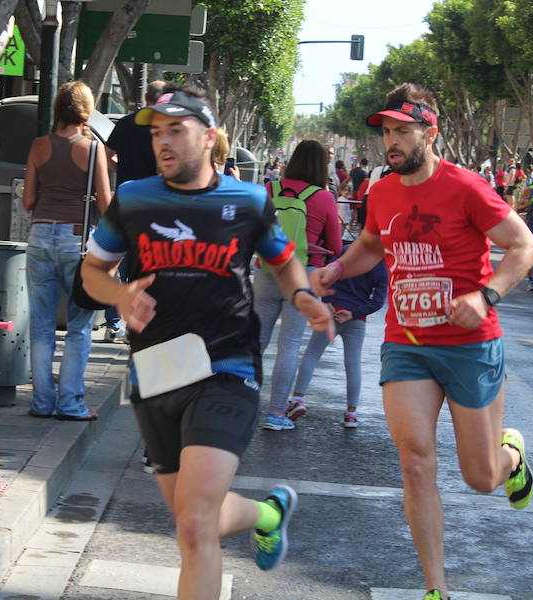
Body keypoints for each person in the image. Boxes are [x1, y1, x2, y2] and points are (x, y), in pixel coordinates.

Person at [79, 84, 334, 600]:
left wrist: (303, 295)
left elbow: (283, 261)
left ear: (209, 135)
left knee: (195, 527)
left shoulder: (249, 200)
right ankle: (267, 512)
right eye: (156, 133)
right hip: (156, 372)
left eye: (176, 129)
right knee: (193, 520)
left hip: (227, 369)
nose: (163, 142)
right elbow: (92, 271)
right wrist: (121, 294)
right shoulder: (133, 199)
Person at [311, 82, 533, 600]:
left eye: (401, 130)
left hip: (469, 343)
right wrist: (339, 268)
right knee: (415, 460)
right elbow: (373, 241)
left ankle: (512, 458)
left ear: (430, 133)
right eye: (386, 132)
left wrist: (487, 295)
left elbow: (525, 246)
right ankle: (436, 588)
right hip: (407, 341)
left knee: (480, 477)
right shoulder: (383, 190)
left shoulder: (467, 188)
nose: (390, 141)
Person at [22, 81, 110, 420]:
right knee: (79, 325)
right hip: (77, 241)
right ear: (86, 110)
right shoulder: (92, 149)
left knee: (42, 325)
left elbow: (29, 200)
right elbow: (105, 203)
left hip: (40, 235)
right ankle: (71, 403)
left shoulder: (38, 146)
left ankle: (42, 402)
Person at [253, 139, 341, 430]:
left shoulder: (270, 189)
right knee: (288, 345)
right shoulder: (323, 198)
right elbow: (337, 245)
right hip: (303, 275)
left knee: (256, 341)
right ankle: (276, 414)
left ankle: (240, 403)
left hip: (268, 270)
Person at [287, 254, 386, 426]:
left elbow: (327, 276)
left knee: (312, 354)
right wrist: (354, 313)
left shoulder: (348, 251)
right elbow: (377, 301)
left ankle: (297, 400)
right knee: (352, 363)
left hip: (332, 312)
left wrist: (328, 301)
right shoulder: (381, 265)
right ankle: (351, 413)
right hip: (355, 320)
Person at [103, 80, 166, 343]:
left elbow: (108, 153)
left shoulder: (126, 123)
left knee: (117, 263)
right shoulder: (164, 128)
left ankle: (113, 323)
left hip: (126, 199)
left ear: (146, 96)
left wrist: (121, 170)